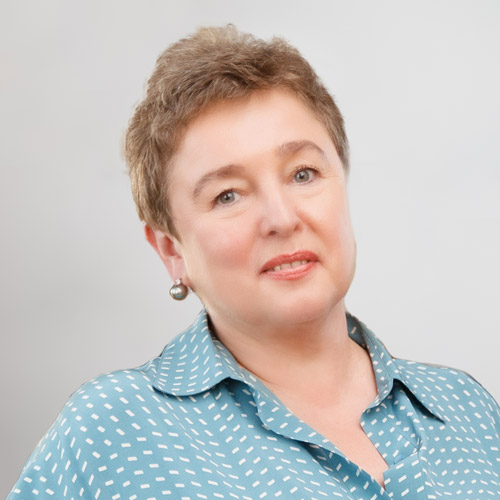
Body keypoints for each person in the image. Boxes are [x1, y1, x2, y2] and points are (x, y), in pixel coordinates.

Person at [8, 25, 500, 500]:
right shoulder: (114, 430)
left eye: (303, 173)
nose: (282, 219)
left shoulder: (465, 408)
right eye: (228, 195)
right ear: (171, 250)